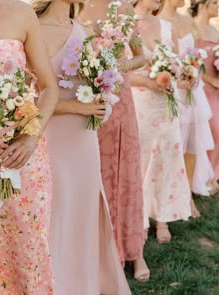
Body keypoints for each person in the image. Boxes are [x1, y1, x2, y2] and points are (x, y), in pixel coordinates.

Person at [32, 0, 132, 294]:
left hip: (82, 141)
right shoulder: (31, 28)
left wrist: (103, 105)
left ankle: (85, 283)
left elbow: (100, 85)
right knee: (53, 210)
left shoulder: (85, 32)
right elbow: (29, 99)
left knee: (84, 207)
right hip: (45, 138)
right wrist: (78, 106)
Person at [0, 0, 59, 293]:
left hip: (23, 160)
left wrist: (31, 137)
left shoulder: (22, 12)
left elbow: (49, 88)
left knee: (27, 251)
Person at [80, 0, 150, 281]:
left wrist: (117, 65)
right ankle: (94, 252)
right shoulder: (75, 7)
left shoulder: (125, 10)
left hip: (121, 102)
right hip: (86, 99)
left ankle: (134, 250)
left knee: (127, 172)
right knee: (92, 176)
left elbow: (141, 56)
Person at [130, 0, 192, 244]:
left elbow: (178, 65)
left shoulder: (167, 26)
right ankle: (141, 217)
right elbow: (118, 71)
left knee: (166, 157)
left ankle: (163, 217)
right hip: (140, 104)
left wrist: (186, 75)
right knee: (142, 159)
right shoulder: (124, 24)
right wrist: (147, 82)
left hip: (166, 104)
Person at [160, 0, 217, 201]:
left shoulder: (187, 21)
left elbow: (197, 56)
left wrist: (196, 74)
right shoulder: (158, 21)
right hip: (172, 90)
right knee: (171, 143)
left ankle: (187, 194)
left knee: (192, 143)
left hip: (193, 90)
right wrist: (178, 80)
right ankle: (168, 192)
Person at [192, 0, 219, 187]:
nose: (218, 6)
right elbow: (192, 61)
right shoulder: (193, 28)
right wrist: (211, 80)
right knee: (212, 130)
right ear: (201, 5)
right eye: (214, 3)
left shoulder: (216, 31)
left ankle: (213, 174)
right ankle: (203, 176)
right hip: (202, 87)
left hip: (216, 89)